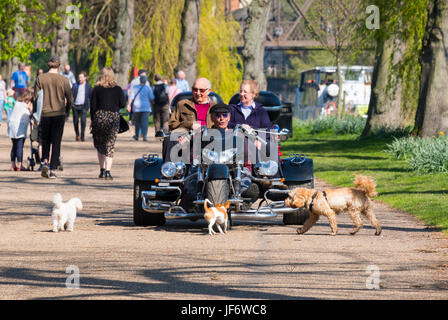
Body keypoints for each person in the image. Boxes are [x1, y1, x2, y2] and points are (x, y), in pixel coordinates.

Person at [34, 56, 73, 179]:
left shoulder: (41, 78)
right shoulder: (64, 80)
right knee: (56, 141)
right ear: (59, 65)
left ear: (48, 65)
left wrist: (35, 113)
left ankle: (44, 161)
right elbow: (70, 98)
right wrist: (67, 110)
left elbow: (35, 97)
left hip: (45, 113)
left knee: (45, 140)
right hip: (59, 113)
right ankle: (52, 169)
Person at [164, 77, 217, 162]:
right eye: (195, 89)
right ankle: (169, 171)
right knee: (169, 138)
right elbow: (172, 124)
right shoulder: (182, 104)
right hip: (187, 136)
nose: (198, 93)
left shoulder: (215, 107)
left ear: (209, 91)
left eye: (201, 90)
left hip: (209, 139)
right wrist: (189, 125)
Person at [90, 67, 126, 180]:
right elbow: (123, 104)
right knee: (110, 145)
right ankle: (108, 171)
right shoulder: (118, 89)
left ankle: (101, 170)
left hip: (99, 117)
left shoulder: (96, 89)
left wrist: (92, 121)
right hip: (113, 117)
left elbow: (93, 107)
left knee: (100, 144)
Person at [7, 89, 33, 171]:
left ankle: (12, 165)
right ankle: (19, 165)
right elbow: (30, 116)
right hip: (19, 127)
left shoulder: (17, 103)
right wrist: (30, 108)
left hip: (12, 125)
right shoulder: (26, 105)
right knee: (19, 146)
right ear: (28, 99)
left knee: (14, 146)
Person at [127, 74, 154, 141]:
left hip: (136, 107)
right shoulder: (148, 88)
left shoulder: (135, 87)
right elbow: (152, 98)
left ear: (140, 80)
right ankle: (144, 136)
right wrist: (151, 104)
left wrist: (129, 105)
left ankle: (136, 135)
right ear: (145, 81)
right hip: (146, 107)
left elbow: (131, 97)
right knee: (145, 122)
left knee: (137, 122)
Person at [71, 71, 92, 142]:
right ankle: (77, 134)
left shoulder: (88, 86)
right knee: (75, 122)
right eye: (79, 77)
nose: (80, 79)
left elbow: (91, 97)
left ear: (85, 78)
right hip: (75, 106)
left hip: (84, 106)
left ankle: (82, 136)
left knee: (83, 121)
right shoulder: (75, 85)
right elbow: (71, 95)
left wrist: (91, 107)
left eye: (81, 77)